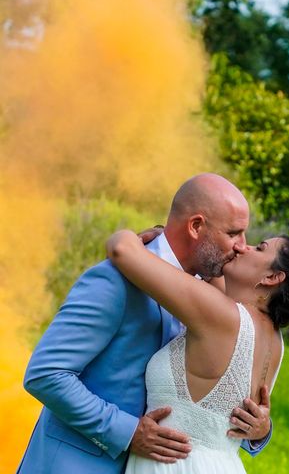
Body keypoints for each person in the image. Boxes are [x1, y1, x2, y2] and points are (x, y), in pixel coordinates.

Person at [18, 174, 273, 473]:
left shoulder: (213, 300)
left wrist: (259, 430)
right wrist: (127, 432)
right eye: (234, 233)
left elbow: (203, 403)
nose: (242, 246)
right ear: (195, 226)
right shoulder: (115, 280)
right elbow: (46, 373)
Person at [106, 227, 289, 473]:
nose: (243, 247)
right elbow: (214, 275)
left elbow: (121, 249)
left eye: (259, 248)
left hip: (177, 465)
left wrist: (136, 238)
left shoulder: (223, 317)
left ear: (272, 278)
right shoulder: (274, 340)